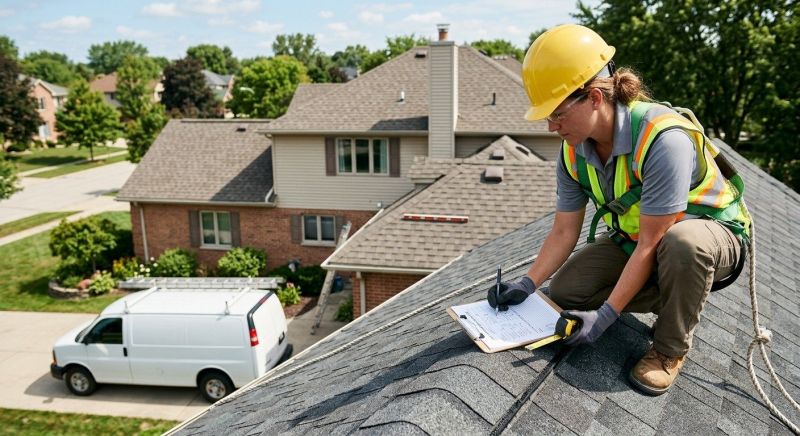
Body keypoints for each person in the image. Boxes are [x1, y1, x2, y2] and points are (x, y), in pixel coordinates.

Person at [487, 24, 750, 395]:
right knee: (564, 290)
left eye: (557, 114)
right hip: (639, 241)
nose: (550, 127)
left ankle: (669, 349)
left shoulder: (663, 140)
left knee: (682, 244)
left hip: (706, 236)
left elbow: (652, 242)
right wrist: (527, 285)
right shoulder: (573, 152)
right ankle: (677, 294)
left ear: (594, 97)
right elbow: (564, 232)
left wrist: (606, 317)